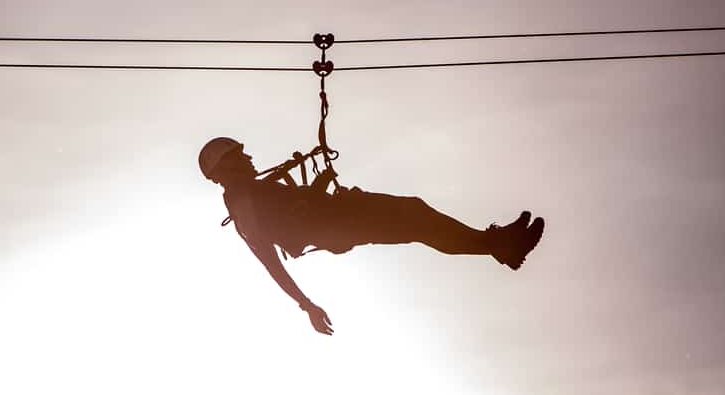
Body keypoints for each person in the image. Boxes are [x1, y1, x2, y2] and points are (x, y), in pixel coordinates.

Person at [199, 137, 544, 335]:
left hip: (341, 218)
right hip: (341, 221)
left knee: (416, 215)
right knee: (416, 218)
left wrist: (319, 186)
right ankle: (498, 246)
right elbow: (271, 261)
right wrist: (306, 304)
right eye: (239, 156)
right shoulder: (245, 204)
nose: (249, 157)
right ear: (224, 167)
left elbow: (298, 212)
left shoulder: (252, 195)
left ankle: (498, 245)